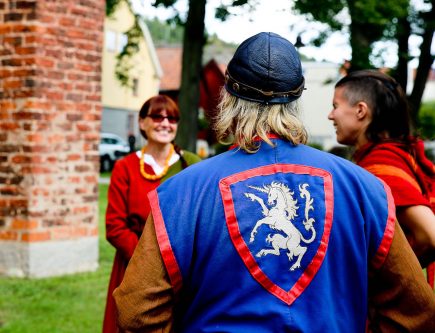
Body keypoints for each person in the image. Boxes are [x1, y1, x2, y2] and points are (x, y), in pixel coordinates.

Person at [113, 32, 435, 332]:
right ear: (296, 101)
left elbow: (137, 310)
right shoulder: (366, 189)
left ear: (228, 98)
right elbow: (416, 309)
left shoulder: (181, 191)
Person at [102, 95, 201, 333]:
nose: (165, 123)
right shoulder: (125, 167)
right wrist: (148, 262)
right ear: (142, 122)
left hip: (180, 270)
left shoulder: (191, 165)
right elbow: (114, 226)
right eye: (157, 116)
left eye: (172, 118)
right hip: (133, 265)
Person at [328, 69, 435, 288]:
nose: (331, 115)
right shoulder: (395, 155)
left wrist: (383, 281)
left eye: (336, 106)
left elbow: (430, 236)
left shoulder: (382, 165)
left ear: (360, 110)